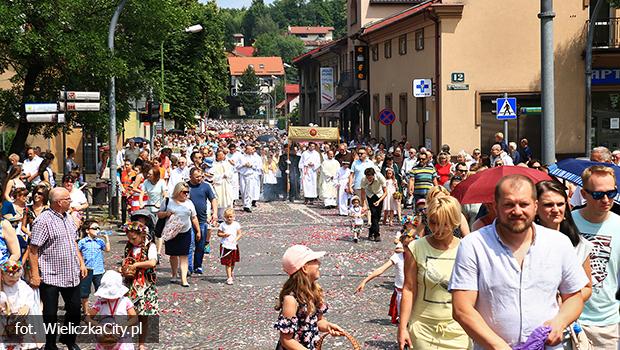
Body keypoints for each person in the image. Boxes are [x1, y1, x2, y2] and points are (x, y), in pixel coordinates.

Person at [449, 175, 589, 349]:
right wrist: (498, 346)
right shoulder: (473, 245)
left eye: (524, 204)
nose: (517, 211)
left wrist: (560, 322)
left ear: (535, 206)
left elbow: (574, 297)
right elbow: (462, 309)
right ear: (495, 206)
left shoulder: (559, 243)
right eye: (509, 204)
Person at [398, 196, 470, 349]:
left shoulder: (467, 249)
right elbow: (409, 289)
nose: (437, 229)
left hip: (460, 330)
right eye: (433, 222)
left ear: (455, 222)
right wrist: (402, 327)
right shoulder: (416, 248)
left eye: (444, 224)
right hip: (423, 329)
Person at [29, 187, 88, 350]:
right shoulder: (43, 221)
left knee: (75, 309)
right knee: (50, 313)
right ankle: (50, 343)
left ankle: (69, 339)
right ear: (59, 202)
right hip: (50, 274)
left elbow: (74, 242)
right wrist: (35, 274)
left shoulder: (68, 217)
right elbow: (33, 249)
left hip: (71, 272)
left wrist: (81, 262)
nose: (71, 201)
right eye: (68, 199)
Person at [570, 165, 620, 348]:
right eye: (598, 195)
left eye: (612, 193)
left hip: (608, 323)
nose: (606, 200)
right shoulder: (568, 222)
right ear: (583, 194)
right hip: (572, 319)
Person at [274, 245, 344, 349]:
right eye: (314, 260)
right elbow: (286, 340)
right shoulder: (291, 300)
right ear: (304, 268)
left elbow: (318, 321)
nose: (319, 263)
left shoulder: (315, 291)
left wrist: (328, 326)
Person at [535, 180, 593, 302]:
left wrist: (565, 302)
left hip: (567, 317)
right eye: (548, 205)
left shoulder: (579, 244)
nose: (555, 209)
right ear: (535, 207)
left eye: (560, 204)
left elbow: (587, 288)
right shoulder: (523, 243)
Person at [356, 231, 415, 325]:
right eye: (405, 246)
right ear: (402, 246)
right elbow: (381, 269)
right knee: (403, 322)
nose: (408, 249)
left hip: (414, 294)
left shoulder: (418, 258)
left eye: (411, 246)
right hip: (400, 293)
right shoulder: (397, 257)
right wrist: (365, 281)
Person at [121, 221, 157, 350]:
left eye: (134, 238)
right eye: (129, 238)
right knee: (128, 314)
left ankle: (141, 343)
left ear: (142, 235)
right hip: (130, 284)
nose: (131, 241)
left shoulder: (150, 246)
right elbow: (126, 260)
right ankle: (126, 340)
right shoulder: (128, 247)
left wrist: (136, 265)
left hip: (145, 284)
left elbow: (152, 262)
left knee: (143, 316)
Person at [159, 182, 200, 287]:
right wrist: (166, 214)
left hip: (185, 231)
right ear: (178, 192)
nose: (186, 194)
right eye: (184, 192)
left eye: (187, 192)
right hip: (172, 232)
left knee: (184, 255)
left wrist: (198, 230)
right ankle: (174, 274)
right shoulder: (168, 201)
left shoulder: (189, 203)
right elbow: (159, 214)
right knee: (173, 255)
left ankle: (184, 279)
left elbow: (194, 217)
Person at [86, 270, 137, 350]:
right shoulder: (100, 302)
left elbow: (134, 318)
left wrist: (123, 326)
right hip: (104, 338)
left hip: (122, 338)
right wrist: (98, 326)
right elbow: (88, 318)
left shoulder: (125, 301)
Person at [187, 168, 218, 274]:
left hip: (202, 219)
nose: (199, 179)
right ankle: (189, 267)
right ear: (190, 177)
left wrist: (214, 213)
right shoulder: (186, 186)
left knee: (200, 244)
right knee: (190, 244)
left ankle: (198, 265)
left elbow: (213, 199)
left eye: (201, 176)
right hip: (188, 220)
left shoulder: (206, 186)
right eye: (197, 177)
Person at [78, 219, 110, 315]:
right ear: (87, 230)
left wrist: (106, 238)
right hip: (87, 270)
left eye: (98, 228)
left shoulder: (99, 241)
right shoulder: (82, 242)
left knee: (101, 291)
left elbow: (107, 249)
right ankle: (86, 311)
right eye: (95, 228)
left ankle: (102, 310)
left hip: (98, 270)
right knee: (84, 293)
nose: (97, 230)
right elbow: (77, 253)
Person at [217, 208, 244, 285]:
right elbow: (218, 233)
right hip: (225, 245)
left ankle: (230, 273)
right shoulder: (222, 225)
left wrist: (236, 239)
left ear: (234, 216)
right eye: (227, 217)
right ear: (225, 217)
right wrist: (224, 235)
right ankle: (229, 277)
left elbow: (239, 233)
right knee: (228, 262)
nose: (229, 218)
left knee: (233, 261)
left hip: (233, 245)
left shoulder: (236, 224)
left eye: (231, 217)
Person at [361, 167, 387, 242]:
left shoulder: (380, 177)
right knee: (374, 214)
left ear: (373, 175)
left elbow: (386, 192)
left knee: (378, 215)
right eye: (367, 178)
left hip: (380, 195)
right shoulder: (363, 179)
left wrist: (379, 201)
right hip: (370, 195)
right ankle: (377, 234)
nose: (369, 179)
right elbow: (362, 193)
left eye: (370, 178)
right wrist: (364, 204)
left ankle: (371, 231)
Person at [237, 145, 262, 213]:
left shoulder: (255, 158)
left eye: (252, 150)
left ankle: (247, 205)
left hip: (251, 175)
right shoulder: (241, 157)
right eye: (249, 149)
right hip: (243, 175)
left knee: (249, 191)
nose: (251, 151)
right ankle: (244, 203)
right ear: (246, 149)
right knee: (243, 191)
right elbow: (236, 166)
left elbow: (258, 167)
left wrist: (251, 165)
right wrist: (243, 165)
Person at [211, 150, 234, 220]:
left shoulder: (227, 164)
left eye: (222, 155)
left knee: (228, 198)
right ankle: (220, 217)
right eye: (219, 155)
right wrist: (221, 176)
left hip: (226, 183)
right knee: (220, 200)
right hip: (219, 184)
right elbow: (213, 175)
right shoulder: (213, 165)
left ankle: (229, 215)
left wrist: (227, 175)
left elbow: (231, 173)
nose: (221, 156)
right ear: (216, 157)